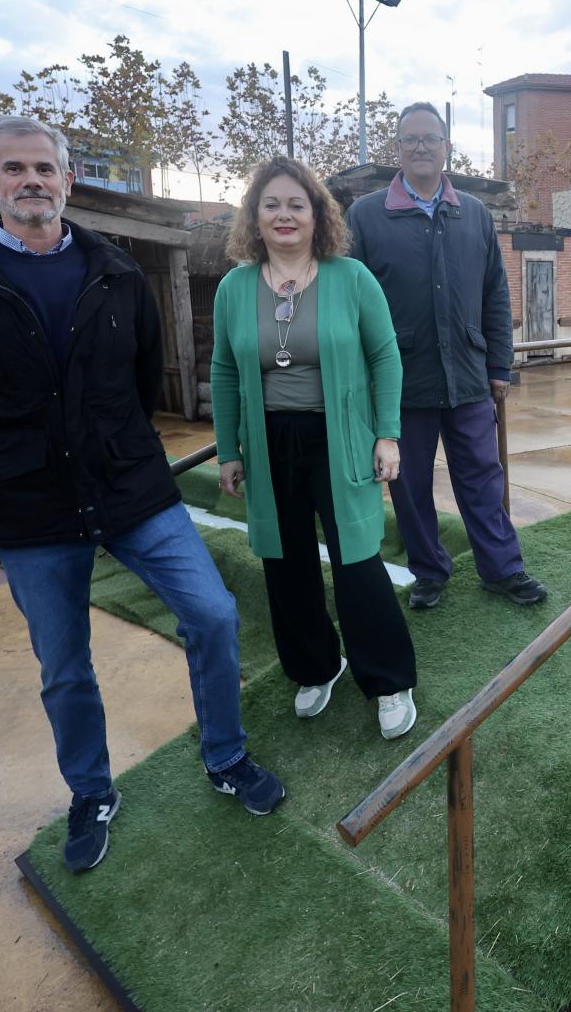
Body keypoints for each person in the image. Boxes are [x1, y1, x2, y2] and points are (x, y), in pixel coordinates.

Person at [0, 115, 284, 876]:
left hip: (131, 489)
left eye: (44, 167)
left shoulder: (114, 270)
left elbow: (144, 375)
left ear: (67, 178)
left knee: (211, 613)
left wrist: (111, 443)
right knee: (65, 664)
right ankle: (91, 791)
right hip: (31, 508)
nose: (31, 181)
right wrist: (4, 459)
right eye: (13, 169)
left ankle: (225, 754)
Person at [210, 157, 418, 740]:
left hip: (341, 437)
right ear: (254, 216)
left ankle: (389, 679)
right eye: (271, 204)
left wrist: (387, 432)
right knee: (285, 561)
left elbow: (385, 356)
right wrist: (229, 448)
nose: (283, 215)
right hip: (269, 439)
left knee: (356, 561)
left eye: (296, 205)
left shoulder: (351, 278)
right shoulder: (234, 287)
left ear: (317, 215)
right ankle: (315, 666)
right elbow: (225, 370)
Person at [347, 102, 548, 611]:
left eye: (429, 139)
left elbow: (495, 294)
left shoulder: (474, 214)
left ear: (445, 147)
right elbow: (349, 305)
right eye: (410, 139)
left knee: (482, 476)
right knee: (410, 486)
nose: (420, 147)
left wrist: (499, 364)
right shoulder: (368, 216)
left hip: (468, 375)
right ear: (398, 148)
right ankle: (430, 572)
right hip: (402, 381)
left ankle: (502, 570)